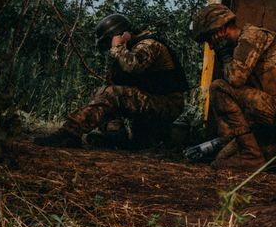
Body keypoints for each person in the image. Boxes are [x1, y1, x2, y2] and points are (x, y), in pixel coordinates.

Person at [34, 13, 189, 148]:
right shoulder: (129, 51)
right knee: (102, 93)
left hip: (167, 104)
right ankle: (115, 133)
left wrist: (119, 47)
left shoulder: (149, 44)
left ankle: (69, 133)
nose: (110, 47)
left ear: (121, 34)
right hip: (152, 104)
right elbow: (114, 84)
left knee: (111, 94)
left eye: (110, 41)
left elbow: (133, 66)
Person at [190, 3, 276, 170]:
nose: (211, 46)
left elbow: (235, 80)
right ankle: (263, 155)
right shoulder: (239, 47)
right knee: (221, 161)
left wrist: (224, 54)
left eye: (210, 39)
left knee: (218, 87)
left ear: (221, 29)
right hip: (274, 113)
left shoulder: (252, 36)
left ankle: (252, 155)